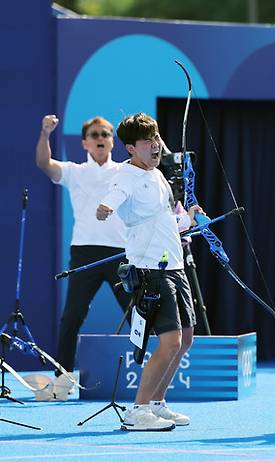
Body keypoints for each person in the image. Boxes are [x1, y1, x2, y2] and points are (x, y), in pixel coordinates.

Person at [96, 112, 201, 431]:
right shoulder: (124, 176)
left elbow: (169, 218)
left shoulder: (157, 175)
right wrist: (106, 208)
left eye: (156, 138)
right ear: (130, 148)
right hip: (150, 269)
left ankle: (157, 403)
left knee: (185, 340)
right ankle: (136, 411)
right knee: (169, 342)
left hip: (176, 266)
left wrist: (189, 220)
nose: (155, 146)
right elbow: (111, 200)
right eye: (147, 142)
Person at [36, 114, 131, 377]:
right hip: (84, 252)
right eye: (95, 135)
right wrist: (45, 134)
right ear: (85, 144)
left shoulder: (126, 171)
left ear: (113, 142)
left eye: (105, 135)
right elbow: (43, 163)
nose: (100, 139)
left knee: (138, 314)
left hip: (120, 253)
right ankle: (63, 378)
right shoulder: (74, 172)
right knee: (71, 317)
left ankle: (149, 378)